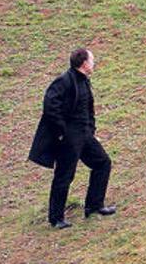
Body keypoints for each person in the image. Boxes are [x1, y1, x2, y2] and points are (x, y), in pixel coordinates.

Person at [28, 48, 117, 229]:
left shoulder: (84, 81)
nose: (94, 63)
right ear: (84, 63)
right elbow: (50, 105)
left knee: (102, 163)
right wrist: (63, 131)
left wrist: (90, 129)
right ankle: (56, 218)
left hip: (84, 134)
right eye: (92, 60)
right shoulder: (65, 80)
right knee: (64, 176)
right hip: (69, 138)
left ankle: (94, 206)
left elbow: (87, 108)